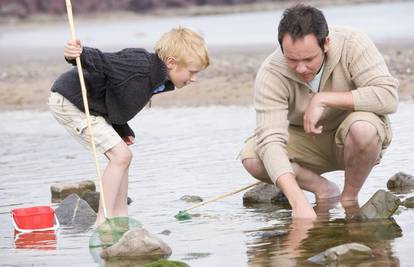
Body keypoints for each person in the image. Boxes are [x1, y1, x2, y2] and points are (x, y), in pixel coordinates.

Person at [240, 4, 398, 218]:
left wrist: (323, 99)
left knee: (364, 129)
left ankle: (349, 198)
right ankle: (324, 190)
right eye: (292, 60)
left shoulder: (353, 43)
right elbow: (270, 139)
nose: (301, 68)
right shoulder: (271, 72)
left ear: (326, 44)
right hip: (305, 141)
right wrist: (298, 202)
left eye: (308, 59)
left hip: (350, 137)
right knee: (253, 157)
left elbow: (388, 97)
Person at [48, 27, 209, 226]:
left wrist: (122, 129)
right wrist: (79, 54)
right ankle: (103, 220)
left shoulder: (158, 79)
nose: (194, 78)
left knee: (123, 156)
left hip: (93, 105)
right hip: (70, 101)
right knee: (121, 156)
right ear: (171, 62)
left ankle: (120, 217)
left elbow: (116, 94)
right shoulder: (139, 63)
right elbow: (104, 63)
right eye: (192, 72)